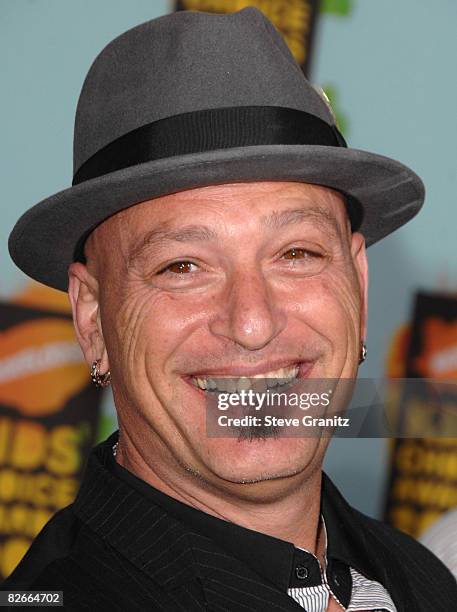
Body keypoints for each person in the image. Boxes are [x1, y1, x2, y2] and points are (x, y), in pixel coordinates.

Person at [3, 7, 456, 611]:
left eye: (296, 253)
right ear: (92, 320)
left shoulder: (420, 579)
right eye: (182, 267)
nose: (252, 322)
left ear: (358, 283)